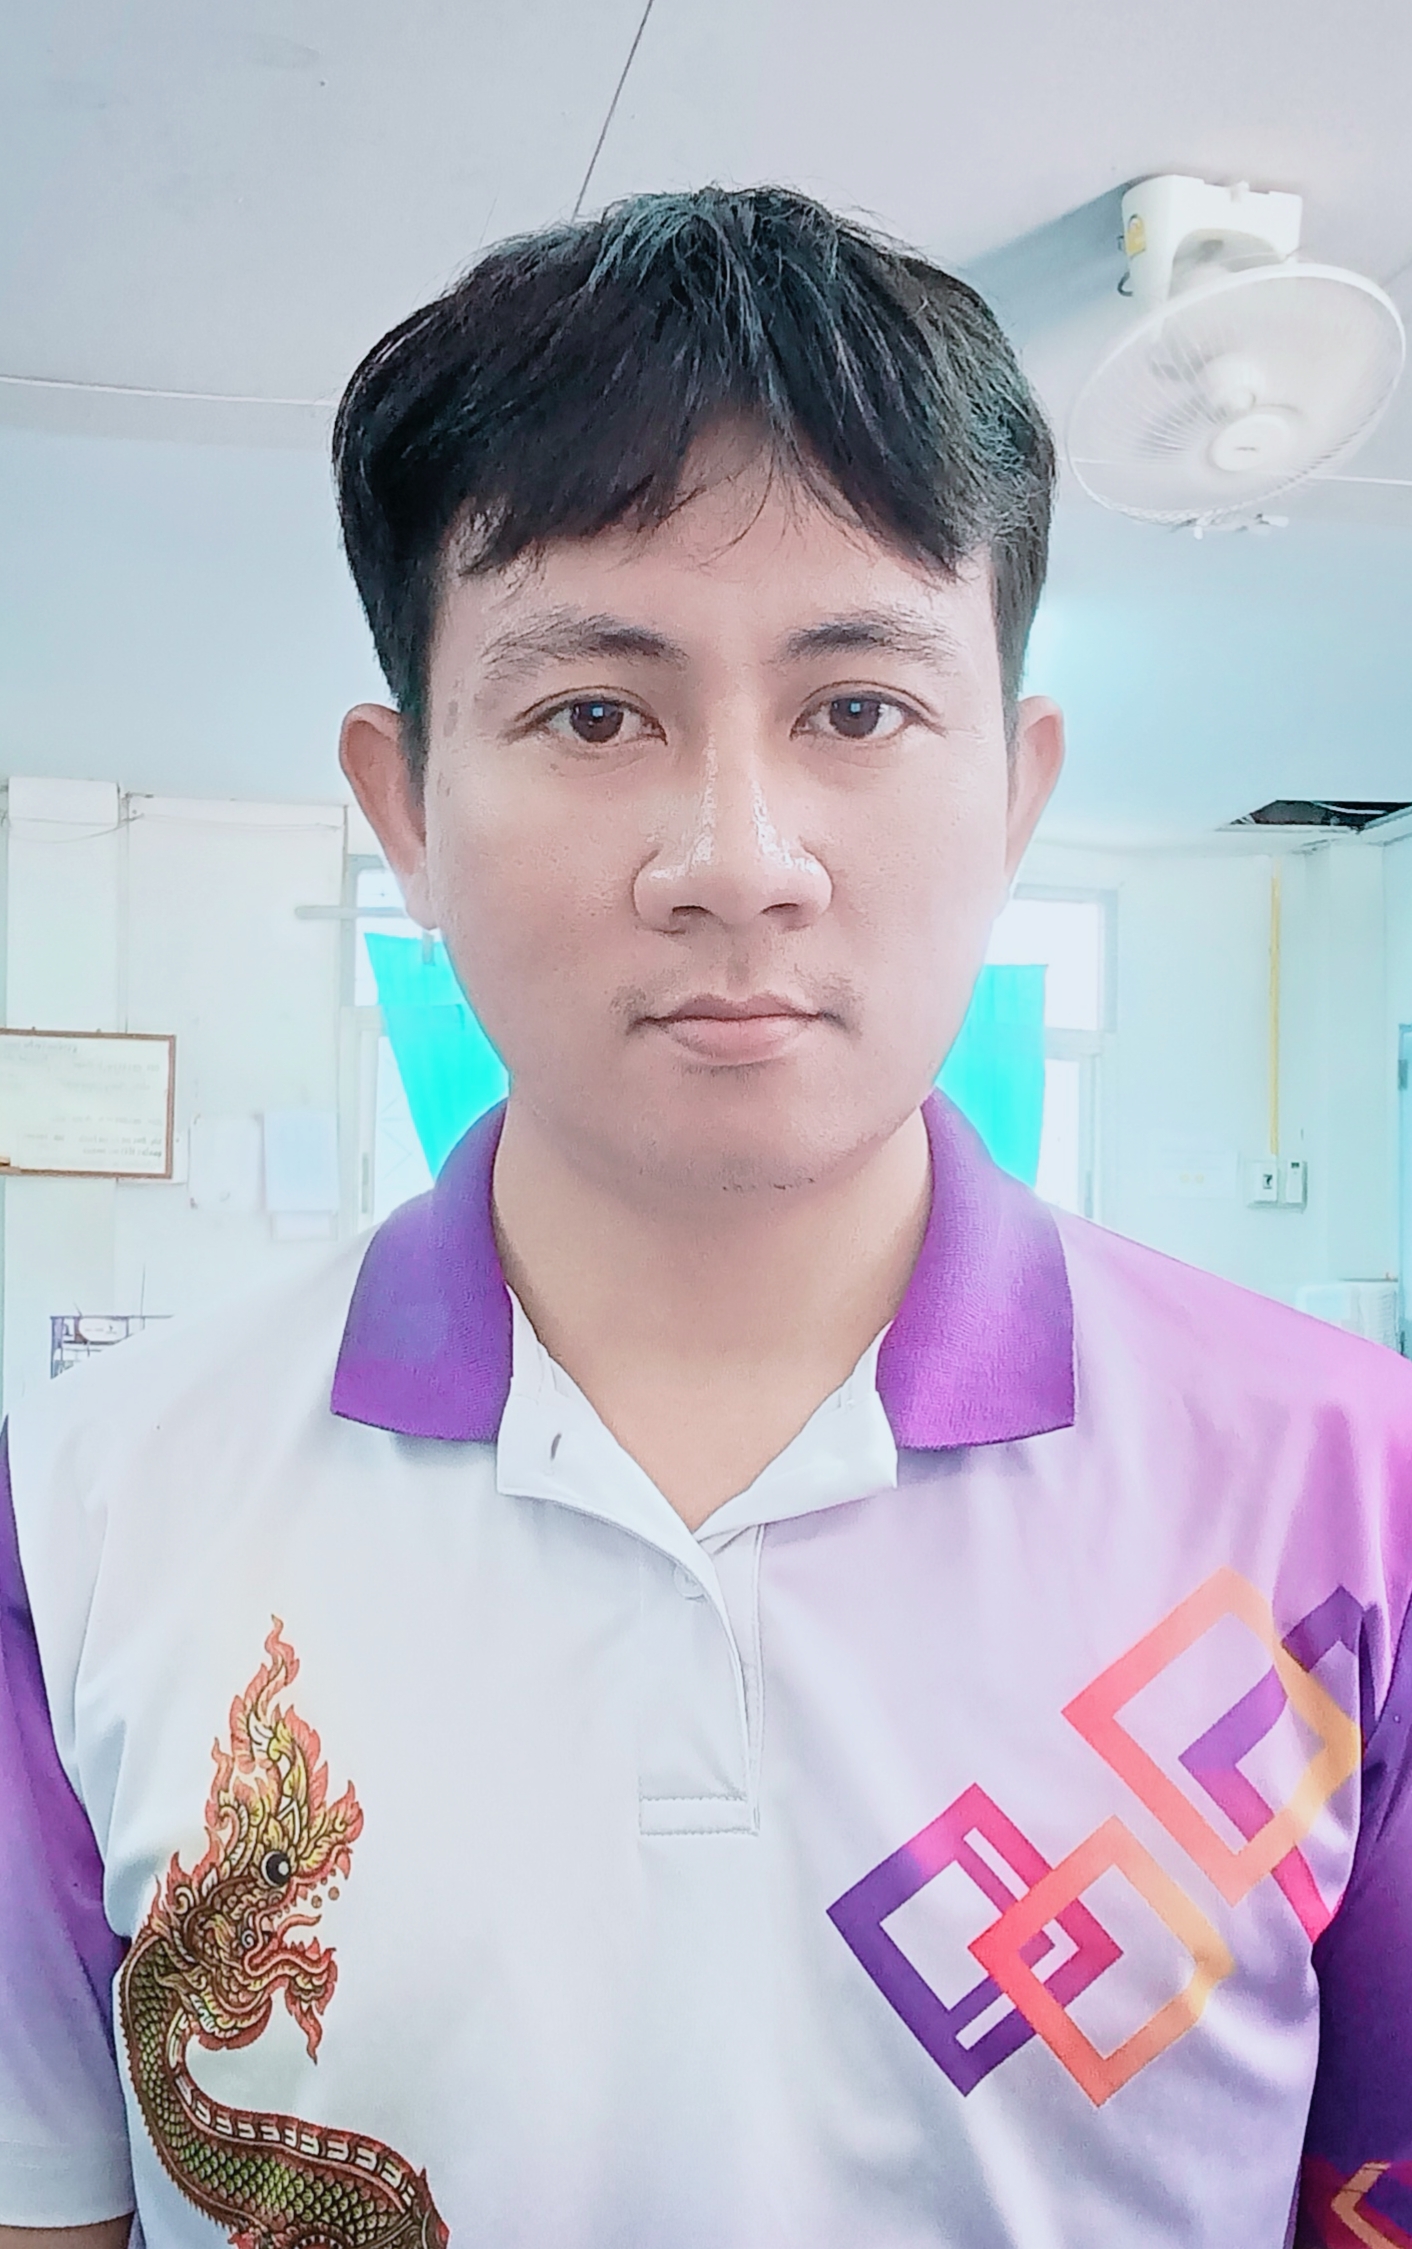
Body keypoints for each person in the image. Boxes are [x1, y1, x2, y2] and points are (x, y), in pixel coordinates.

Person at [1, 186, 1408, 2249]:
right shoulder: (89, 1505)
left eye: (857, 709)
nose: (738, 861)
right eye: (594, 712)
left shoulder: (1348, 1488)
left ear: (1015, 792)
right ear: (403, 806)